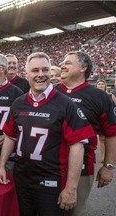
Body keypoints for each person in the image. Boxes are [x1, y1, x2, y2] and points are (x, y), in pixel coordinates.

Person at [0, 52, 96, 216]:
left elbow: (77, 147)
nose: (40, 75)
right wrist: (1, 166)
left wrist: (71, 188)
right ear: (26, 74)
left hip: (51, 183)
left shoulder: (66, 104)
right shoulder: (18, 103)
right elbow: (10, 137)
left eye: (45, 70)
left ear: (51, 72)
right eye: (35, 70)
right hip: (22, 179)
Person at [55, 51, 116, 216]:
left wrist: (108, 166)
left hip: (80, 168)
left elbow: (111, 133)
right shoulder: (51, 91)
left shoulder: (100, 97)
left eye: (68, 62)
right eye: (62, 62)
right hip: (48, 165)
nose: (62, 65)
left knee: (73, 210)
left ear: (83, 67)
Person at [95, 79, 109, 163]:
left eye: (102, 84)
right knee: (102, 140)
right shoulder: (92, 96)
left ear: (105, 86)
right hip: (99, 120)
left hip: (109, 119)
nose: (100, 85)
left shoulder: (110, 96)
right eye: (99, 84)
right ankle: (103, 157)